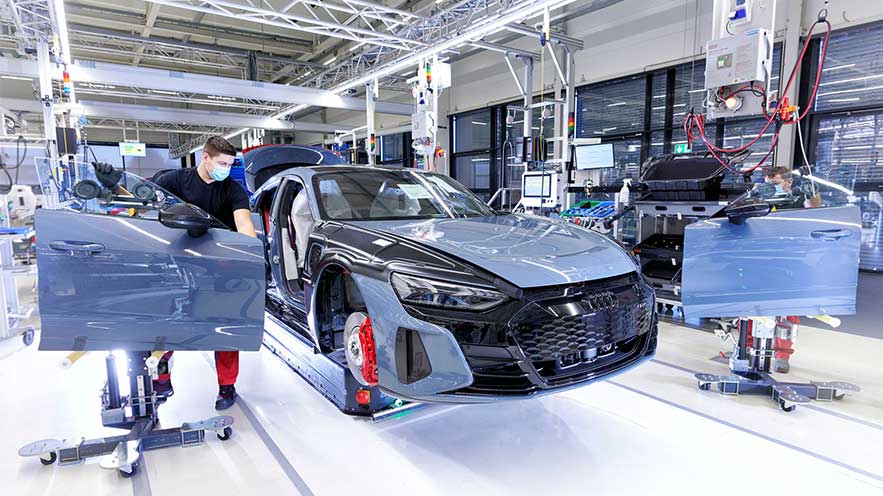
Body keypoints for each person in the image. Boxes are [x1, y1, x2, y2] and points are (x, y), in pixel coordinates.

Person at [94, 135, 256, 410]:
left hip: (217, 268)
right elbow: (141, 204)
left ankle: (227, 387)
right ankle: (162, 379)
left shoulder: (232, 189)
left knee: (225, 330)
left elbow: (244, 224)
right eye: (222, 163)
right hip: (174, 265)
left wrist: (250, 255)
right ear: (205, 157)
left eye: (230, 164)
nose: (226, 169)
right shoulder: (174, 180)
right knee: (167, 330)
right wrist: (113, 186)